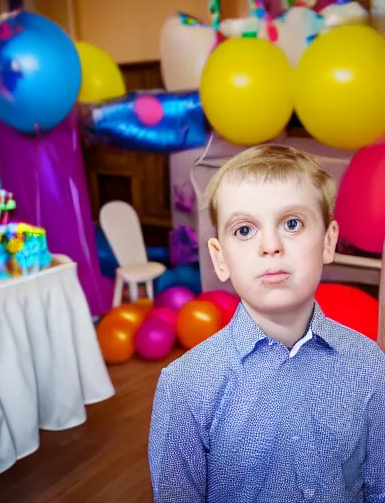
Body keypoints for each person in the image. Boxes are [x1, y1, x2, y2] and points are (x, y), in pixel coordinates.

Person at [148, 145, 385, 502]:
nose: (270, 246)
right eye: (245, 230)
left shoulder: (370, 366)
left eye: (292, 223)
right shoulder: (185, 387)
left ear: (328, 241)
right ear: (220, 258)